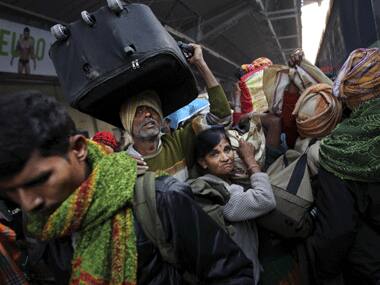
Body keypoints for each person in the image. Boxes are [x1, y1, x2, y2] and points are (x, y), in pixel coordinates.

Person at [0, 91, 254, 284]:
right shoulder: (38, 229)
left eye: (39, 180)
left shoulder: (160, 198)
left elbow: (230, 272)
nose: (28, 202)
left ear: (78, 149)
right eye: (11, 192)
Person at [120, 43, 231, 181]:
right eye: (139, 112)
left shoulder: (178, 142)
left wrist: (200, 63)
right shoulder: (121, 165)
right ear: (127, 122)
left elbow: (221, 116)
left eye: (152, 109)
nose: (148, 114)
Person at [188, 127, 276, 284]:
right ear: (203, 162)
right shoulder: (215, 190)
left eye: (227, 150)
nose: (225, 158)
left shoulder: (228, 181)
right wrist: (250, 160)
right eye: (214, 154)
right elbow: (265, 199)